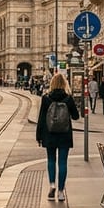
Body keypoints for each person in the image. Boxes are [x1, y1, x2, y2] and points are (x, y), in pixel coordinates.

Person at [36, 72, 80, 201]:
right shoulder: (68, 98)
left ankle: (52, 185)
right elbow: (76, 116)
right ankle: (61, 191)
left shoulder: (46, 98)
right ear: (64, 83)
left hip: (49, 133)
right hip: (64, 134)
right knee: (62, 162)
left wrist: (39, 135)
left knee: (51, 160)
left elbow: (42, 119)